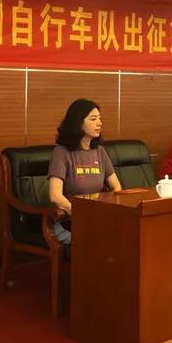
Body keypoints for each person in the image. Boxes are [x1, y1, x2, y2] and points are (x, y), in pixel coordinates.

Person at [47, 99, 122, 246]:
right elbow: (55, 196)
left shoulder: (99, 151)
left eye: (100, 118)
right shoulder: (61, 152)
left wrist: (105, 211)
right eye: (93, 119)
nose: (99, 123)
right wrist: (82, 214)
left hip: (97, 219)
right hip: (68, 223)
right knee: (100, 242)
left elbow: (117, 187)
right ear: (78, 123)